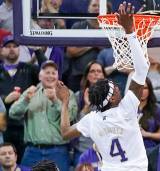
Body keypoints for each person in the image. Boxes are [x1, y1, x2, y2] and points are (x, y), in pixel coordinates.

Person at [56, 2, 149, 171]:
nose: (119, 87)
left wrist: (64, 101)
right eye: (116, 88)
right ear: (113, 97)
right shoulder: (126, 108)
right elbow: (141, 68)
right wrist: (129, 30)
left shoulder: (92, 120)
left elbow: (65, 133)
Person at [9, 60, 78, 171]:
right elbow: (13, 113)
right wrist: (26, 100)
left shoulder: (67, 93)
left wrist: (55, 100)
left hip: (58, 150)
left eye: (53, 73)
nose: (50, 76)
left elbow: (71, 117)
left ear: (58, 76)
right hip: (32, 150)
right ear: (40, 76)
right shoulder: (31, 92)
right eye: (47, 72)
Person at [73, 61, 105, 167]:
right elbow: (75, 126)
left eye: (99, 71)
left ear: (103, 76)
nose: (96, 73)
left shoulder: (112, 98)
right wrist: (87, 107)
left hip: (105, 151)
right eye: (92, 71)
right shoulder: (78, 96)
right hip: (82, 149)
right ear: (87, 76)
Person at [138, 78, 160, 149]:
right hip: (131, 149)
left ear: (150, 90)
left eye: (145, 88)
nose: (142, 91)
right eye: (140, 88)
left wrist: (146, 134)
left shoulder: (156, 109)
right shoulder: (130, 108)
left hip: (149, 149)